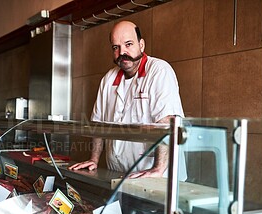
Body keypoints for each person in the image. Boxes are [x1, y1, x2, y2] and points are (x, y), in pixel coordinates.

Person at [69, 20, 184, 178]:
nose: (122, 52)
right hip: (119, 175)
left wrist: (159, 168)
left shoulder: (159, 71)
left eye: (128, 44)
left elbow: (168, 123)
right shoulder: (108, 79)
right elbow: (97, 125)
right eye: (116, 47)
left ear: (141, 45)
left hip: (158, 178)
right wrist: (93, 159)